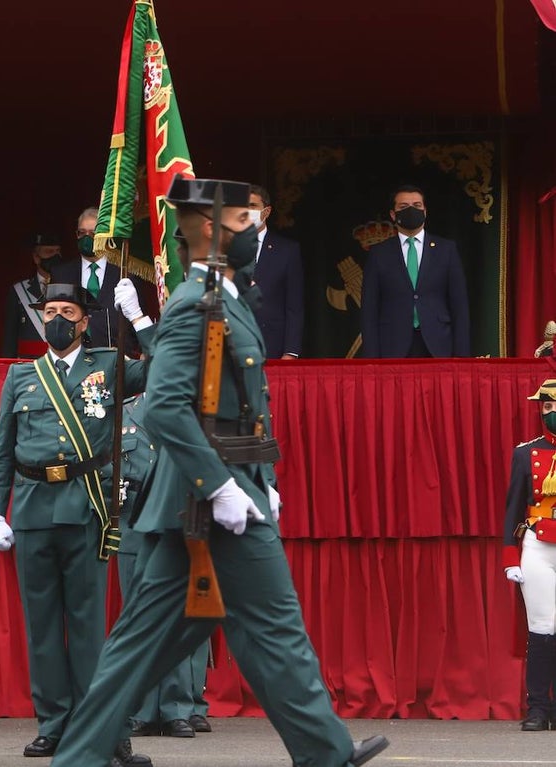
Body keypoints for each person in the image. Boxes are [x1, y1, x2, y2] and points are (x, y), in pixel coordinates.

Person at [47, 175, 389, 767]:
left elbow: (243, 409)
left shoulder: (226, 298)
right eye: (245, 221)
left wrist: (262, 481)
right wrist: (224, 487)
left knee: (152, 642)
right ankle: (326, 753)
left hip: (223, 490)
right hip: (207, 498)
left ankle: (79, 757)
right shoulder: (194, 304)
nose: (257, 230)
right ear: (210, 229)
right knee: (272, 625)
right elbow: (166, 407)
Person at [0, 280, 154, 765]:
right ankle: (54, 725)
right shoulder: (21, 375)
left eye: (66, 312)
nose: (56, 319)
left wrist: (139, 319)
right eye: (50, 311)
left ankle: (101, 730)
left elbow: (168, 368)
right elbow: (3, 450)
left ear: (84, 320)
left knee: (87, 629)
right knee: (41, 628)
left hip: (86, 507)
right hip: (33, 508)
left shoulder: (110, 365)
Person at [114, 394, 211, 740]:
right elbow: (104, 463)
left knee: (177, 616)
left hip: (177, 522)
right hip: (133, 526)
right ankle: (141, 711)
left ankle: (177, 709)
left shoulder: (189, 410)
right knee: (138, 619)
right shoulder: (123, 414)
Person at [502, 378, 556, 731]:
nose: (551, 412)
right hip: (539, 544)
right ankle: (537, 708)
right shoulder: (526, 453)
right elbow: (513, 508)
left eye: (555, 406)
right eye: (546, 407)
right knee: (541, 627)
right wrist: (510, 557)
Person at [360, 185, 470, 358]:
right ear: (393, 214)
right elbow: (369, 309)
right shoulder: (379, 253)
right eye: (404, 207)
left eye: (417, 206)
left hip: (439, 344)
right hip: (392, 345)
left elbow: (459, 305)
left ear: (425, 211)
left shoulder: (446, 250)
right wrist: (371, 358)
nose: (411, 210)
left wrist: (461, 355)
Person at [49, 209, 135, 352]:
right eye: (82, 233)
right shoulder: (61, 273)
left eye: (93, 233)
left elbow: (136, 318)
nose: (87, 238)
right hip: (73, 356)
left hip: (116, 357)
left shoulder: (126, 272)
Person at [249, 185, 303, 359]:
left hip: (272, 346)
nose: (246, 211)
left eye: (252, 206)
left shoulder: (287, 250)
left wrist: (290, 351)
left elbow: (294, 305)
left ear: (266, 211)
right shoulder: (226, 248)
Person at [2, 233, 63, 358]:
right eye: (49, 252)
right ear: (36, 257)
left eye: (57, 251)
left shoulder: (70, 287)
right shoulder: (19, 290)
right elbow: (10, 336)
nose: (55, 256)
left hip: (62, 362)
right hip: (28, 363)